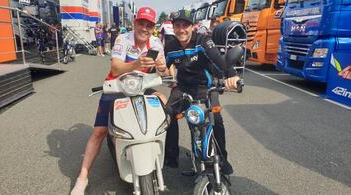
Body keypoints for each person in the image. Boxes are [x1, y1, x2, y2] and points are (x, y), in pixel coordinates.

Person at [70, 7, 169, 195]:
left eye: (149, 25)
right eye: (141, 23)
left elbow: (163, 73)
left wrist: (163, 68)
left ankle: (155, 151)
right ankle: (82, 178)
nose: (145, 28)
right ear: (134, 23)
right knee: (99, 132)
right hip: (116, 85)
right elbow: (115, 68)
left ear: (153, 27)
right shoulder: (123, 39)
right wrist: (135, 64)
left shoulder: (157, 43)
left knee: (164, 102)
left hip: (141, 85)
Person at [163, 9, 241, 176]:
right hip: (183, 88)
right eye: (178, 26)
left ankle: (222, 159)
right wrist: (168, 76)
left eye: (185, 25)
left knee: (217, 120)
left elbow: (220, 61)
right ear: (173, 28)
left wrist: (232, 76)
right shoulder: (169, 46)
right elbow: (165, 64)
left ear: (193, 27)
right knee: (167, 114)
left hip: (205, 87)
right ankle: (171, 157)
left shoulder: (203, 41)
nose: (181, 30)